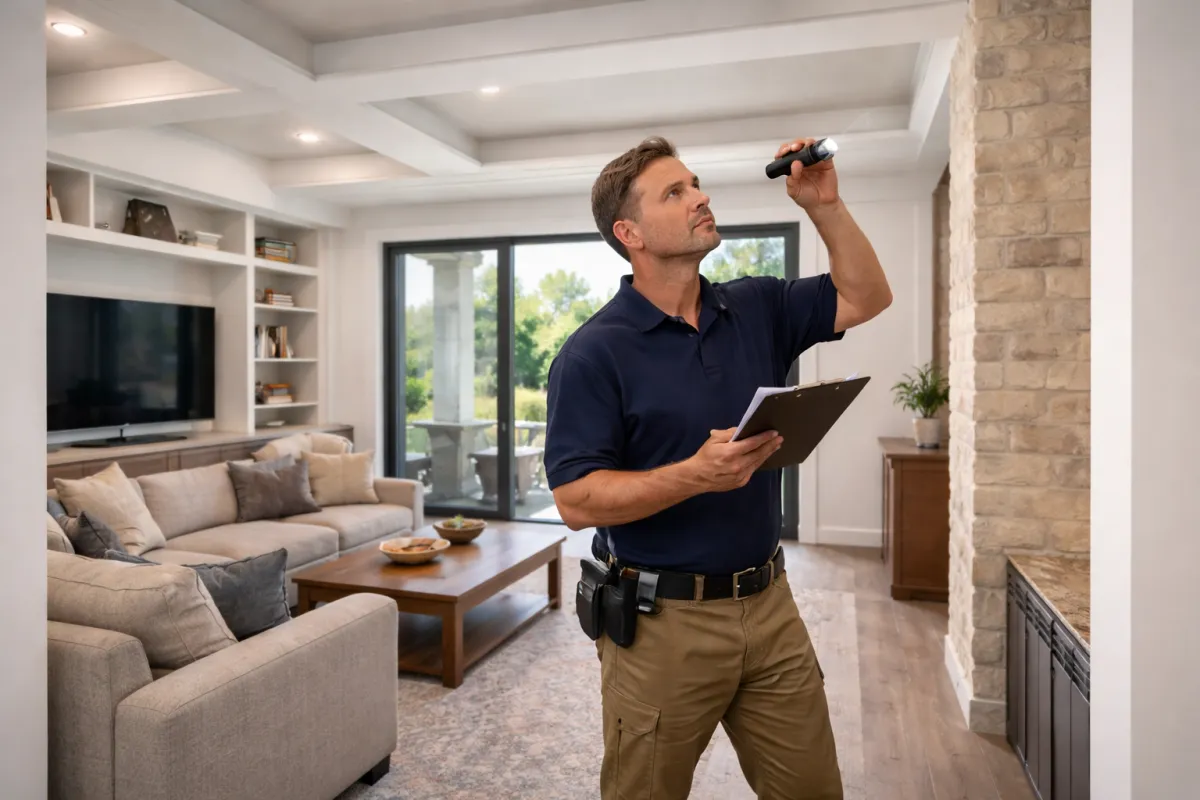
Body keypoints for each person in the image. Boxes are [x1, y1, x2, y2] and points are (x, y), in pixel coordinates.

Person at [542, 135, 892, 800]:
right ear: (629, 233)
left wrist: (825, 206)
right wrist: (695, 474)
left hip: (771, 606)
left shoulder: (756, 305)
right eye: (674, 192)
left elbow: (868, 295)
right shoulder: (591, 355)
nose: (700, 197)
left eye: (696, 183)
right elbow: (576, 501)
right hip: (661, 625)